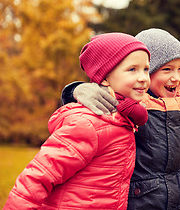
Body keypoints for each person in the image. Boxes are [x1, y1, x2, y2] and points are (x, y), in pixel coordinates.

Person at [61, 28, 180, 210]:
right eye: (167, 69)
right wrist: (74, 90)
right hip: (144, 201)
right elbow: (91, 106)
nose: (176, 77)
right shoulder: (128, 103)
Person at [4, 33, 151, 210]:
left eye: (146, 69)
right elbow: (39, 176)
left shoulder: (124, 119)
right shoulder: (90, 122)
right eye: (132, 69)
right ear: (104, 77)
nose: (143, 77)